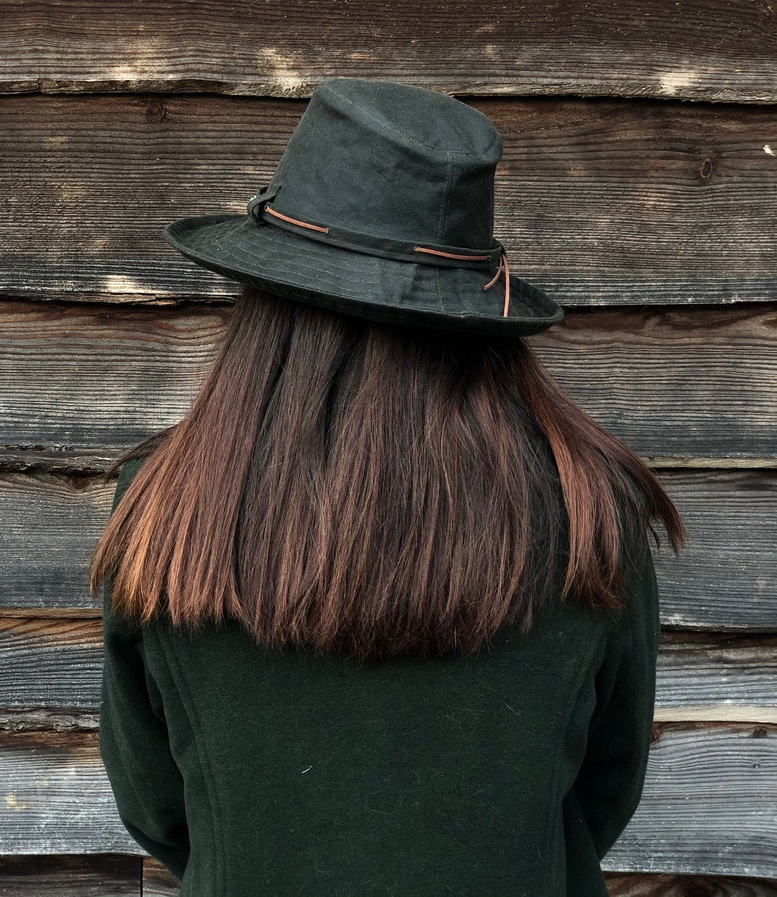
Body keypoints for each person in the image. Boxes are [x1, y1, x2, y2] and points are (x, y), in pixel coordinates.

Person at [90, 77, 685, 896]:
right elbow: (602, 791)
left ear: (265, 295)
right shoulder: (593, 513)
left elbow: (157, 808)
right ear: (477, 314)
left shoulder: (165, 509)